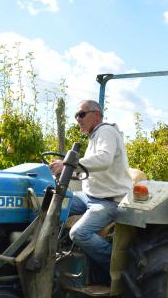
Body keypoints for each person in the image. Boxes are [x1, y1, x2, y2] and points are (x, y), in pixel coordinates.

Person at [49, 100, 132, 284]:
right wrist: (68, 172)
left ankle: (118, 267)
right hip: (89, 196)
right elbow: (93, 171)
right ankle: (53, 254)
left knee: (79, 233)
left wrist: (68, 165)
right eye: (76, 115)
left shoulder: (106, 131)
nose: (77, 119)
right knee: (52, 206)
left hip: (109, 201)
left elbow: (104, 159)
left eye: (81, 114)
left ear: (96, 114)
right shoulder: (95, 136)